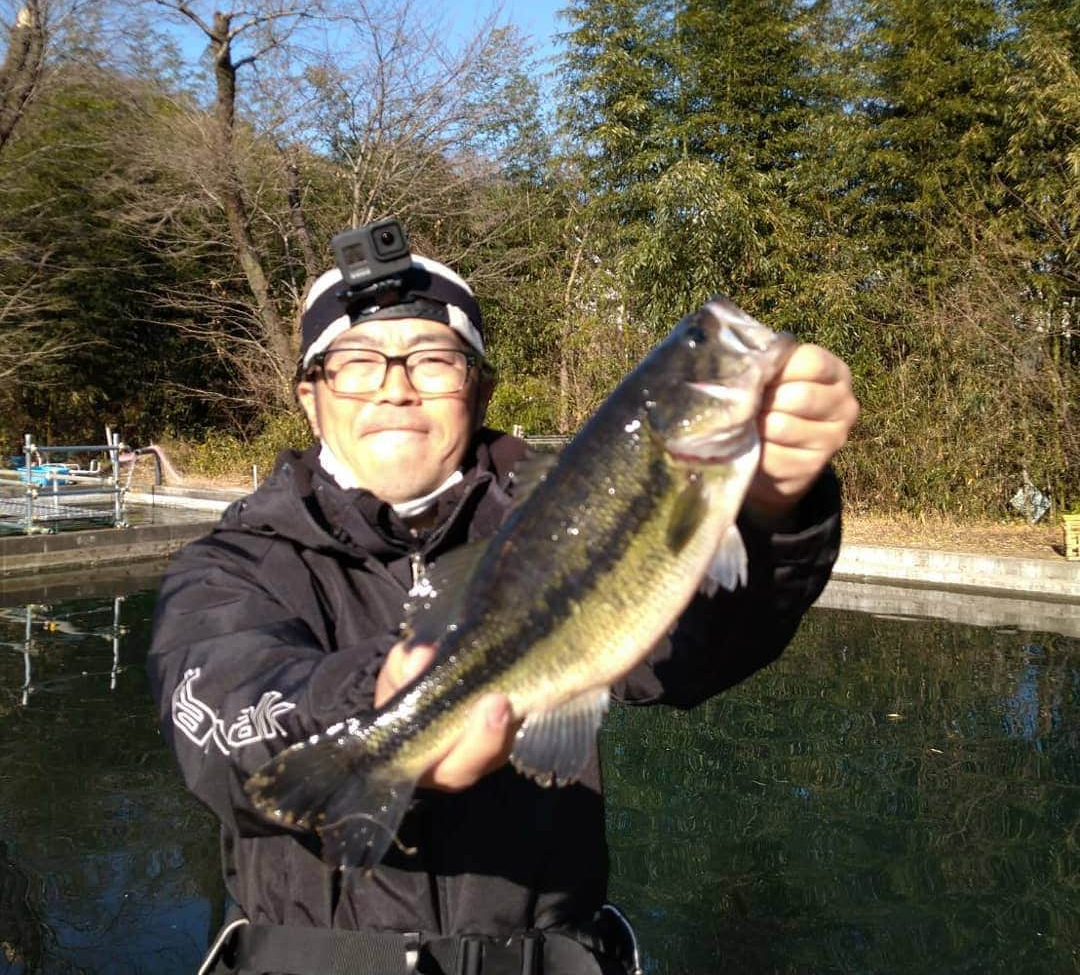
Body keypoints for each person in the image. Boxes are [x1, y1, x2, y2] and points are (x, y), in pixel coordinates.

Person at [148, 240, 859, 975]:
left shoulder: (562, 508)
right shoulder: (228, 563)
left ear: (479, 389)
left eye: (433, 359)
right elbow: (218, 714)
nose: (396, 389)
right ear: (311, 396)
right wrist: (372, 702)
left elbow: (691, 656)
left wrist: (774, 511)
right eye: (357, 361)